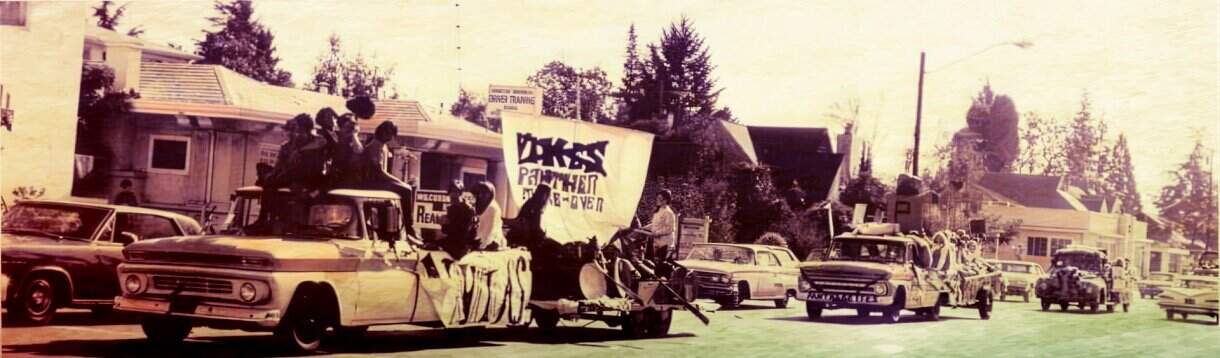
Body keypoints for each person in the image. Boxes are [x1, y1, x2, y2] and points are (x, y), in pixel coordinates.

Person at [357, 120, 415, 235]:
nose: (389, 136)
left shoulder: (383, 146)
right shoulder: (375, 145)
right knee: (406, 190)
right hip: (372, 182)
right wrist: (398, 181)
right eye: (387, 132)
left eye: (391, 133)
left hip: (378, 181)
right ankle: (409, 227)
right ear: (381, 131)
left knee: (407, 189)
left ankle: (402, 227)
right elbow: (378, 172)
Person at [637, 189, 677, 260]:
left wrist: (657, 233)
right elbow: (654, 225)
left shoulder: (669, 213)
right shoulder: (658, 211)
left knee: (662, 264)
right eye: (658, 198)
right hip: (657, 243)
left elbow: (670, 228)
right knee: (655, 262)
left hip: (665, 244)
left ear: (665, 200)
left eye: (660, 199)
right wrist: (642, 228)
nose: (657, 200)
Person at [439, 181, 476, 259]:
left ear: (461, 194)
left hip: (462, 246)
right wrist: (443, 224)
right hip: (451, 242)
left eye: (455, 193)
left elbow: (465, 232)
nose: (452, 197)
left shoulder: (468, 209)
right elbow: (446, 231)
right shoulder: (451, 208)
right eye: (451, 195)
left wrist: (447, 224)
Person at [510, 184, 551, 249]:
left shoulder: (531, 202)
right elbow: (535, 227)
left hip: (523, 235)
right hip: (526, 238)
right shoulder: (536, 206)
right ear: (544, 195)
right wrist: (543, 235)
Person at [472, 181, 506, 251]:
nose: (482, 195)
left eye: (485, 193)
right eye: (480, 193)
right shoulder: (483, 205)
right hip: (482, 239)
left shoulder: (492, 208)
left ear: (491, 194)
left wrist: (481, 246)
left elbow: (490, 230)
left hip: (492, 242)